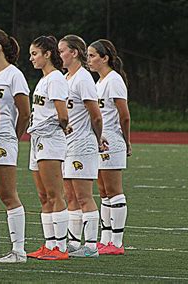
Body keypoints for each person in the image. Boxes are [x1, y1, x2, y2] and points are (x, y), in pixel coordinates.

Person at [0, 28, 30, 263]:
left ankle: (19, 250)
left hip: (3, 139)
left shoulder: (14, 75)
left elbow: (24, 112)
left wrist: (14, 136)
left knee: (7, 194)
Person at [58, 35, 106, 258]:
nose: (60, 55)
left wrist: (98, 138)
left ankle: (92, 246)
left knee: (84, 196)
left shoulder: (83, 79)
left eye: (62, 51)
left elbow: (95, 115)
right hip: (67, 144)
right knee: (71, 196)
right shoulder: (66, 78)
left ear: (74, 52)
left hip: (81, 144)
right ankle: (74, 242)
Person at [27, 35, 70, 261]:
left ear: (48, 54)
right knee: (43, 196)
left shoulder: (55, 79)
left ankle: (60, 248)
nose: (31, 58)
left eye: (35, 54)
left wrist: (61, 127)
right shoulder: (44, 79)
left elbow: (63, 115)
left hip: (50, 140)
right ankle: (49, 244)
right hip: (38, 140)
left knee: (55, 194)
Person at [88, 39, 131, 255]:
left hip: (112, 139)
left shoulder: (114, 81)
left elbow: (124, 115)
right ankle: (105, 239)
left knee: (114, 191)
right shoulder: (99, 82)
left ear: (105, 58)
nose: (89, 60)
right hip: (100, 139)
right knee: (103, 191)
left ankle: (117, 241)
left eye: (93, 55)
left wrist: (127, 140)